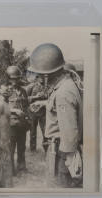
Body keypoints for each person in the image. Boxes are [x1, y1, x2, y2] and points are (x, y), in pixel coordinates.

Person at [27, 43, 83, 187]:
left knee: (58, 186)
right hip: (60, 149)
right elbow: (61, 108)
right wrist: (44, 103)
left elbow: (70, 132)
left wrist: (69, 159)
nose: (38, 78)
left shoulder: (63, 93)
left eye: (39, 74)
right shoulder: (65, 85)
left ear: (47, 75)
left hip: (62, 152)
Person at [6, 66, 29, 174]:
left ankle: (21, 166)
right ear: (8, 78)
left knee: (21, 146)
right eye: (12, 78)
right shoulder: (5, 91)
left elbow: (26, 105)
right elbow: (1, 107)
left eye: (17, 78)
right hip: (11, 123)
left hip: (22, 124)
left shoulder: (23, 91)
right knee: (10, 148)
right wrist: (14, 110)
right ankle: (10, 169)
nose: (15, 81)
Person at [26, 75, 48, 152]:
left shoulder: (47, 86)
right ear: (37, 78)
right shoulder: (31, 86)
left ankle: (46, 148)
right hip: (32, 112)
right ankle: (32, 149)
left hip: (43, 112)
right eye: (41, 77)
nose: (42, 79)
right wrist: (35, 96)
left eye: (44, 77)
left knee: (45, 131)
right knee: (32, 131)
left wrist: (45, 95)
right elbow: (25, 98)